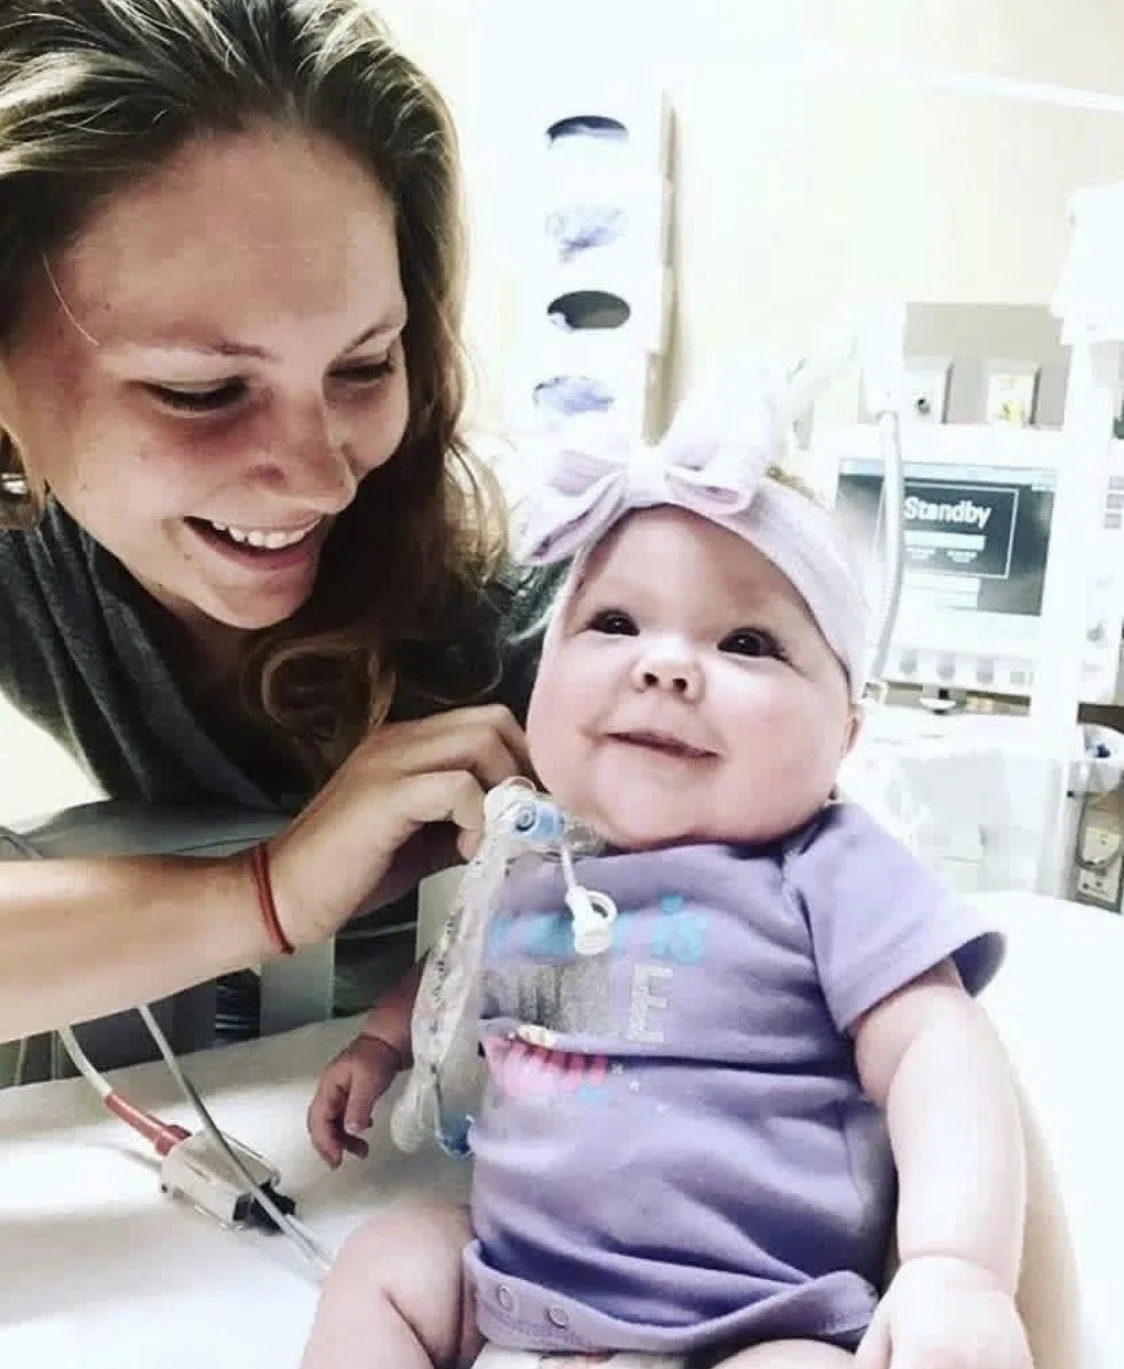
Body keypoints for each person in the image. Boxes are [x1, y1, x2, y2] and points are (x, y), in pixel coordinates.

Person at [300, 374, 1034, 1369]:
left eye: (746, 642)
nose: (664, 666)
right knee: (387, 1260)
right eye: (614, 624)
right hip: (515, 1297)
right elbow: (465, 970)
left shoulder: (826, 868)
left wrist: (956, 1263)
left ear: (844, 734)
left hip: (760, 1323)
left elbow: (935, 1053)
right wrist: (382, 1044)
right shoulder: (537, 856)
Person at [0, 0, 554, 1046]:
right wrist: (261, 894)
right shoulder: (27, 534)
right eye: (202, 392)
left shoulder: (545, 630)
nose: (321, 481)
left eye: (365, 366)